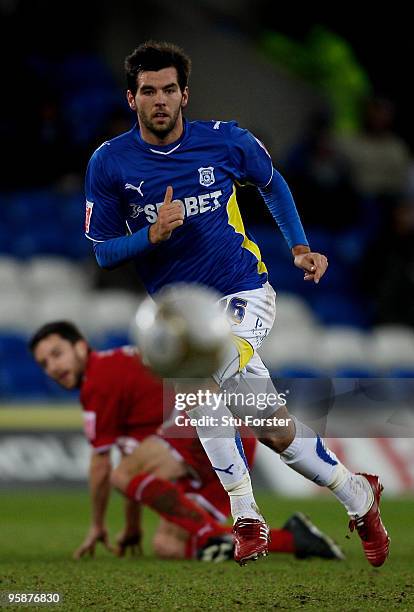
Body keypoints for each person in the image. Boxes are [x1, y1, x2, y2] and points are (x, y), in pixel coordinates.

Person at [84, 41, 389, 567]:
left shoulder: (226, 142)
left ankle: (246, 514)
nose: (160, 100)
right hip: (179, 315)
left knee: (201, 381)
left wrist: (298, 246)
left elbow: (272, 185)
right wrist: (150, 237)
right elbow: (104, 251)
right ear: (131, 98)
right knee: (273, 429)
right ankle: (357, 494)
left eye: (169, 90)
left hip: (242, 291)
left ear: (185, 95)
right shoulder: (110, 163)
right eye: (148, 91)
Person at [30, 321, 344, 562]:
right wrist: (133, 525)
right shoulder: (116, 372)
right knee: (168, 544)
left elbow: (106, 467)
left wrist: (98, 525)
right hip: (219, 444)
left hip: (201, 429)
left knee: (121, 474)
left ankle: (209, 535)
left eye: (57, 354)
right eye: (44, 364)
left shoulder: (99, 380)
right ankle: (295, 539)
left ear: (81, 347)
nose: (53, 368)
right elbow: (138, 465)